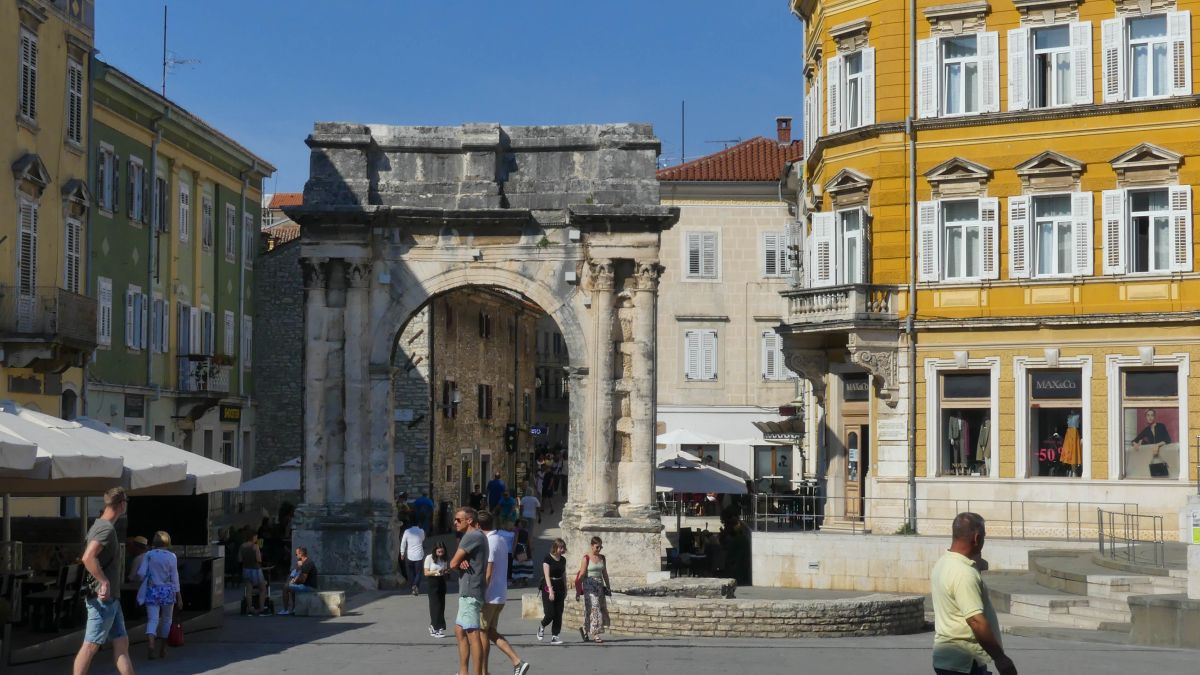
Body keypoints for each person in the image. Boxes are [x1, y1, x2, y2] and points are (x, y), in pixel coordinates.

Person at [931, 513, 1017, 675]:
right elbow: (976, 621)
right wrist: (1000, 658)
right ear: (977, 538)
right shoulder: (964, 573)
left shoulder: (944, 562)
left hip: (948, 659)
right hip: (963, 662)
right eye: (984, 537)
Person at [73, 486, 134, 675]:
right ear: (122, 504)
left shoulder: (101, 525)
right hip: (103, 598)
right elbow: (88, 557)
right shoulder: (105, 529)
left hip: (110, 599)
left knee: (122, 643)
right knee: (90, 645)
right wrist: (104, 581)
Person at [478, 512, 530, 675]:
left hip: (490, 595)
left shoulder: (490, 542)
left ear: (479, 526)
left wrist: (480, 593)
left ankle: (483, 672)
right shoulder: (500, 539)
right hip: (500, 594)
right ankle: (517, 662)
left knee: (482, 633)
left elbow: (488, 571)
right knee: (491, 632)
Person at [448, 507, 487, 675]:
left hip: (470, 591)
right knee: (459, 630)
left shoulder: (470, 536)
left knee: (472, 633)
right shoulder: (479, 536)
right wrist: (461, 561)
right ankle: (463, 671)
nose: (455, 522)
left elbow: (452, 564)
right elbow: (458, 563)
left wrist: (459, 561)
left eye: (458, 519)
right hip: (470, 589)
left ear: (469, 520)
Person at [136, 531, 181, 660]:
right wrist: (179, 596)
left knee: (153, 620)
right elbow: (175, 577)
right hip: (167, 591)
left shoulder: (149, 555)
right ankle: (163, 647)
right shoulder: (172, 556)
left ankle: (151, 644)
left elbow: (141, 573)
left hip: (152, 590)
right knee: (167, 619)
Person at [574, 536, 611, 643]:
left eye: (601, 547)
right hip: (589, 587)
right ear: (592, 546)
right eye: (597, 547)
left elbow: (605, 573)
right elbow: (581, 574)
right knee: (595, 608)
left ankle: (585, 629)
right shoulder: (586, 558)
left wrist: (608, 586)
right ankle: (595, 634)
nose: (599, 549)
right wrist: (577, 589)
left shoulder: (602, 558)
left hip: (599, 586)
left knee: (590, 610)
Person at [537, 538, 567, 644]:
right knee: (550, 613)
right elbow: (546, 575)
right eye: (560, 547)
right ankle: (542, 625)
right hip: (549, 585)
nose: (562, 550)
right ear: (555, 547)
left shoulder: (563, 560)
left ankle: (555, 636)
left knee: (559, 613)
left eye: (563, 547)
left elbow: (564, 574)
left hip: (560, 585)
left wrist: (566, 588)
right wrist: (550, 591)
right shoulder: (547, 558)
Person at [279, 547, 318, 615]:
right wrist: (294, 578)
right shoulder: (302, 563)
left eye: (296, 554)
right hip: (305, 585)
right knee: (291, 587)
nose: (296, 556)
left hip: (309, 587)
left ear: (301, 554)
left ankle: (285, 610)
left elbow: (302, 580)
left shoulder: (307, 563)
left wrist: (294, 581)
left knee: (285, 587)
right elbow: (294, 575)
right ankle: (294, 608)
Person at [424, 541, 450, 638]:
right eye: (438, 552)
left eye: (442, 552)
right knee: (435, 606)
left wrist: (446, 571)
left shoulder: (444, 559)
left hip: (441, 582)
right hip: (432, 583)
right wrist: (436, 571)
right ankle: (435, 628)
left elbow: (446, 569)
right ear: (435, 551)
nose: (440, 554)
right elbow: (426, 573)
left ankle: (436, 626)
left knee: (441, 606)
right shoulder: (429, 558)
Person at [240, 532, 269, 616]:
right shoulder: (255, 546)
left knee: (249, 590)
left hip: (246, 569)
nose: (256, 539)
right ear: (253, 537)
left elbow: (240, 559)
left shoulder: (242, 546)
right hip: (255, 569)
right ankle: (261, 608)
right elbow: (259, 559)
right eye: (256, 537)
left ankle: (249, 609)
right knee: (262, 589)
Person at [400, 521, 426, 596]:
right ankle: (415, 585)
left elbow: (403, 543)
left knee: (411, 572)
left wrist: (402, 553)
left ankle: (413, 586)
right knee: (418, 572)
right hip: (419, 555)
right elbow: (423, 539)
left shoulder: (407, 531)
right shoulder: (421, 531)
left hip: (410, 555)